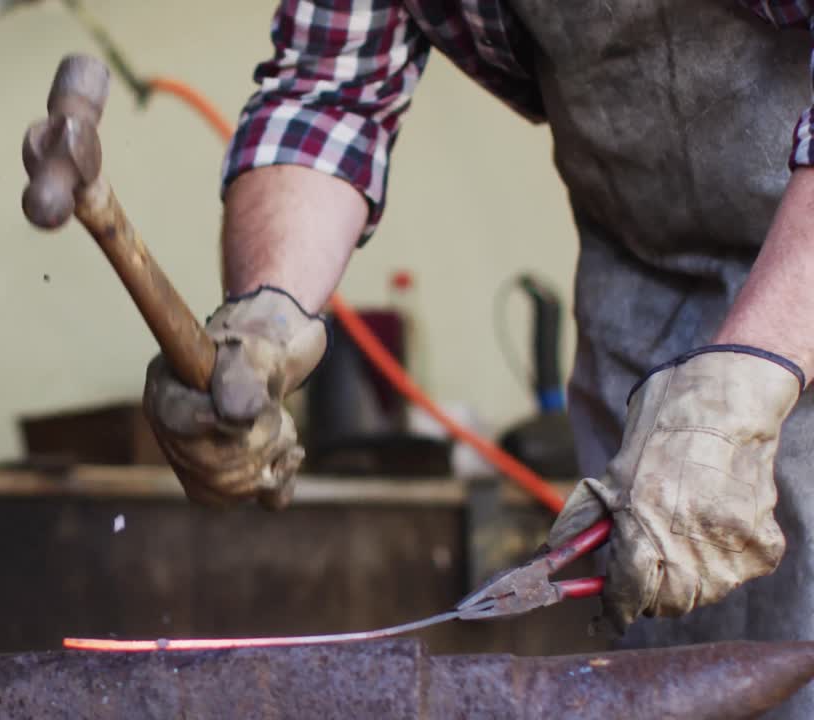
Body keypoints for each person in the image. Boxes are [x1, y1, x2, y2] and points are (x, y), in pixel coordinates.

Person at [142, 1, 814, 716]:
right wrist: (266, 316)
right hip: (639, 310)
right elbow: (325, 96)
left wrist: (747, 374)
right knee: (669, 667)